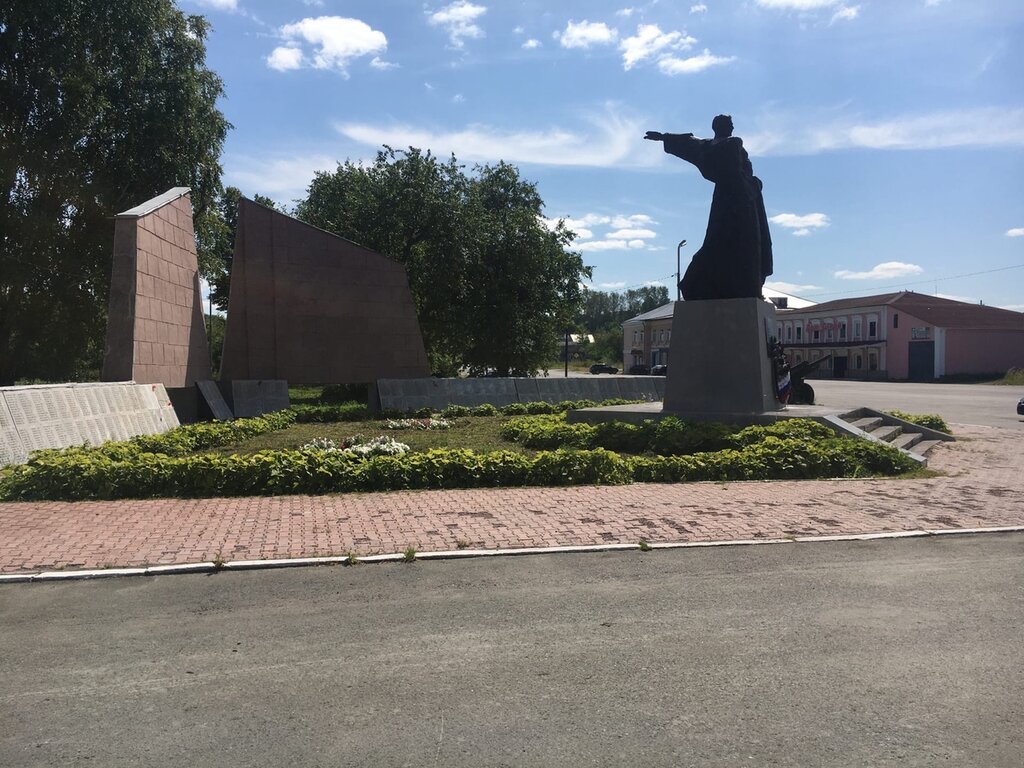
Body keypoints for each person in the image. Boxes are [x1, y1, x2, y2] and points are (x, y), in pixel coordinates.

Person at [645, 115, 773, 300]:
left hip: (733, 201)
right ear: (720, 127)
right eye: (729, 124)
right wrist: (754, 185)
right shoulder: (730, 144)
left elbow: (689, 143)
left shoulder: (709, 146)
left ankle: (747, 288)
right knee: (737, 243)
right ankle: (738, 287)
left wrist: (664, 137)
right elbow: (690, 143)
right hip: (740, 202)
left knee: (740, 244)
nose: (731, 127)